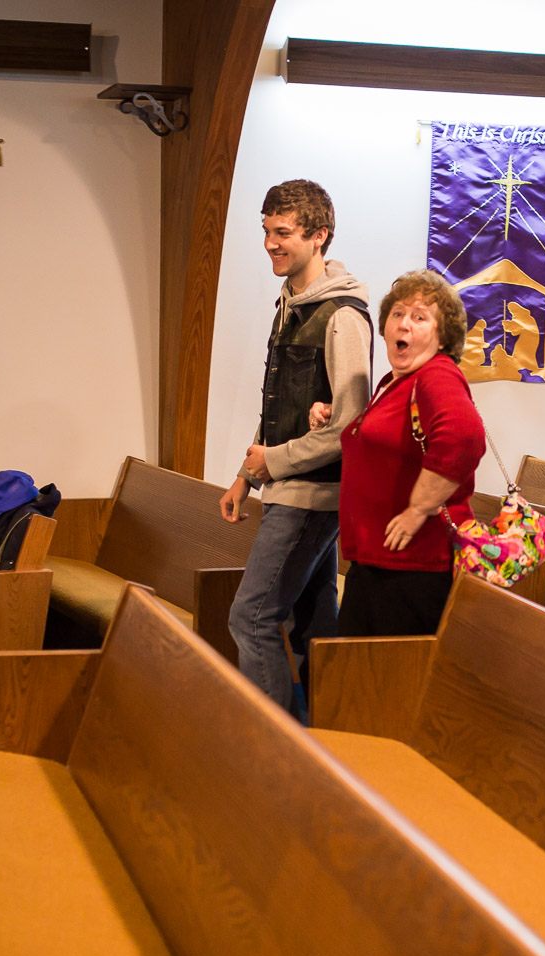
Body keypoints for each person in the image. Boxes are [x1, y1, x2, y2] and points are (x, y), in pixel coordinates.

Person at [218, 180, 371, 718]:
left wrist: (273, 463)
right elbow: (279, 403)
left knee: (251, 618)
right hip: (287, 485)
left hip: (312, 494)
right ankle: (327, 736)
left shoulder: (343, 317)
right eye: (266, 231)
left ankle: (276, 744)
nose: (270, 243)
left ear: (318, 235)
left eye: (282, 233)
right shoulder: (291, 302)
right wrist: (246, 475)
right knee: (314, 624)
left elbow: (350, 424)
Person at [331, 269, 484, 637]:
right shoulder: (399, 381)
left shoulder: (437, 374)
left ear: (442, 335)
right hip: (381, 562)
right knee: (349, 667)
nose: (404, 324)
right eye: (397, 314)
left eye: (420, 318)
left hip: (413, 568)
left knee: (379, 671)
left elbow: (463, 437)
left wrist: (418, 509)